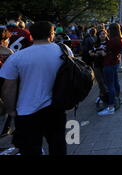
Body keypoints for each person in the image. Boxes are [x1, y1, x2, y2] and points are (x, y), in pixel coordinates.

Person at [0, 21, 71, 155]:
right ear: (51, 34)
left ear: (31, 36)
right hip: (56, 108)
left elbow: (8, 88)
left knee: (30, 149)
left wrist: (11, 110)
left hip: (26, 112)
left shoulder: (17, 57)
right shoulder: (64, 51)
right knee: (58, 147)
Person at [98, 23, 122, 116]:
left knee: (110, 85)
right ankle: (117, 99)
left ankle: (111, 107)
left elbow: (105, 53)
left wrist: (100, 51)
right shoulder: (120, 39)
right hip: (115, 63)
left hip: (109, 64)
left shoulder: (111, 41)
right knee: (116, 82)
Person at [90, 29, 109, 109]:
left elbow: (108, 53)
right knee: (100, 81)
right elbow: (90, 53)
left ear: (106, 35)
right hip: (97, 65)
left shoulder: (108, 43)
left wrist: (103, 53)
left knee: (105, 81)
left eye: (104, 34)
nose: (102, 35)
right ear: (98, 35)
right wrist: (94, 54)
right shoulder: (96, 43)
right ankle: (103, 96)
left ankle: (104, 96)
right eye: (101, 34)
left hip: (105, 64)